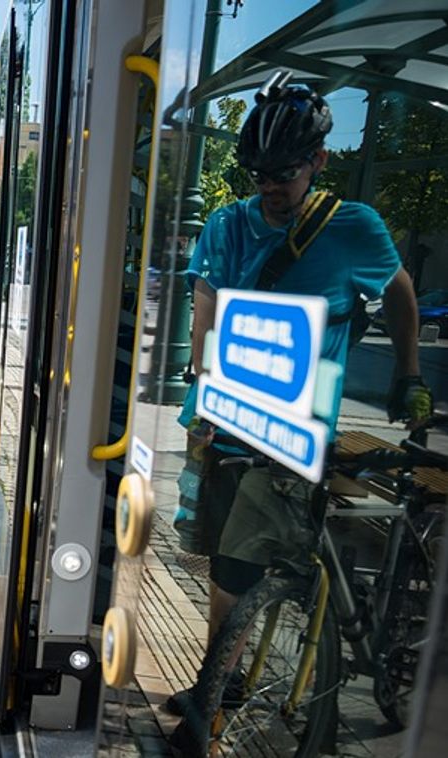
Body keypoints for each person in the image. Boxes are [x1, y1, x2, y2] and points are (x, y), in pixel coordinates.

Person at [166, 74, 431, 742]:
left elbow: (399, 291)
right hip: (224, 421)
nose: (269, 187)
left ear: (316, 160)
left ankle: (213, 697)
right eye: (256, 173)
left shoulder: (353, 228)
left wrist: (407, 374)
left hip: (292, 430)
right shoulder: (226, 224)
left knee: (240, 563)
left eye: (282, 172)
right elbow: (204, 306)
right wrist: (202, 379)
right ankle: (220, 676)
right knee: (221, 560)